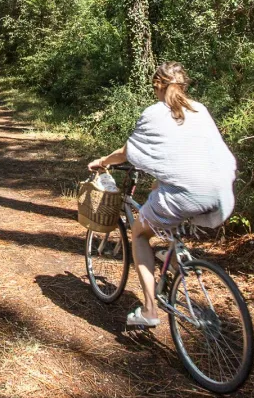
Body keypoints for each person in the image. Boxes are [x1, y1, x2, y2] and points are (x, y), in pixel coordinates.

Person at [88, 62, 237, 327]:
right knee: (163, 200)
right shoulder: (199, 109)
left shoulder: (155, 113)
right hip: (220, 191)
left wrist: (103, 161)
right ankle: (174, 262)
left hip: (186, 194)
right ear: (183, 85)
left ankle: (149, 311)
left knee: (139, 235)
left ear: (157, 85)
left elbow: (127, 152)